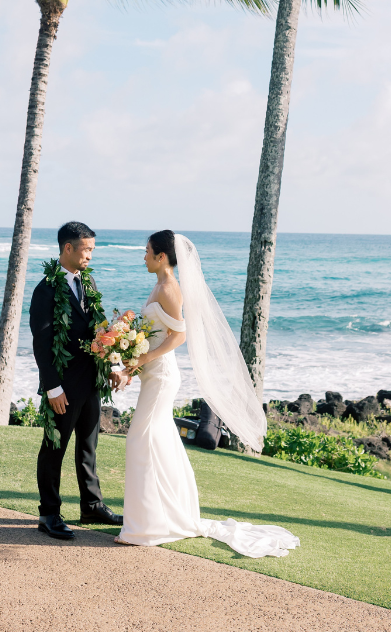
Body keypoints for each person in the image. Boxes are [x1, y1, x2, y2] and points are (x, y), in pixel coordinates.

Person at [114, 230, 299, 558]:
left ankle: (147, 527)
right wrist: (131, 363)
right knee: (156, 441)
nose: (142, 256)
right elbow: (155, 335)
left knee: (140, 440)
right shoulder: (159, 285)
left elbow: (179, 336)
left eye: (146, 252)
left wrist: (141, 358)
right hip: (152, 373)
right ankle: (160, 519)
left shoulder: (170, 288)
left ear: (161, 257)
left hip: (162, 376)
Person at [29, 221, 124, 540]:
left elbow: (99, 328)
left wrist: (112, 361)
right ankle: (48, 514)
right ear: (67, 248)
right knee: (54, 447)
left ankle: (91, 505)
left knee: (88, 445)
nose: (90, 256)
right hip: (64, 386)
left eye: (92, 250)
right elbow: (41, 343)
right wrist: (53, 387)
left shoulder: (90, 282)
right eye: (86, 250)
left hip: (91, 381)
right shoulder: (46, 290)